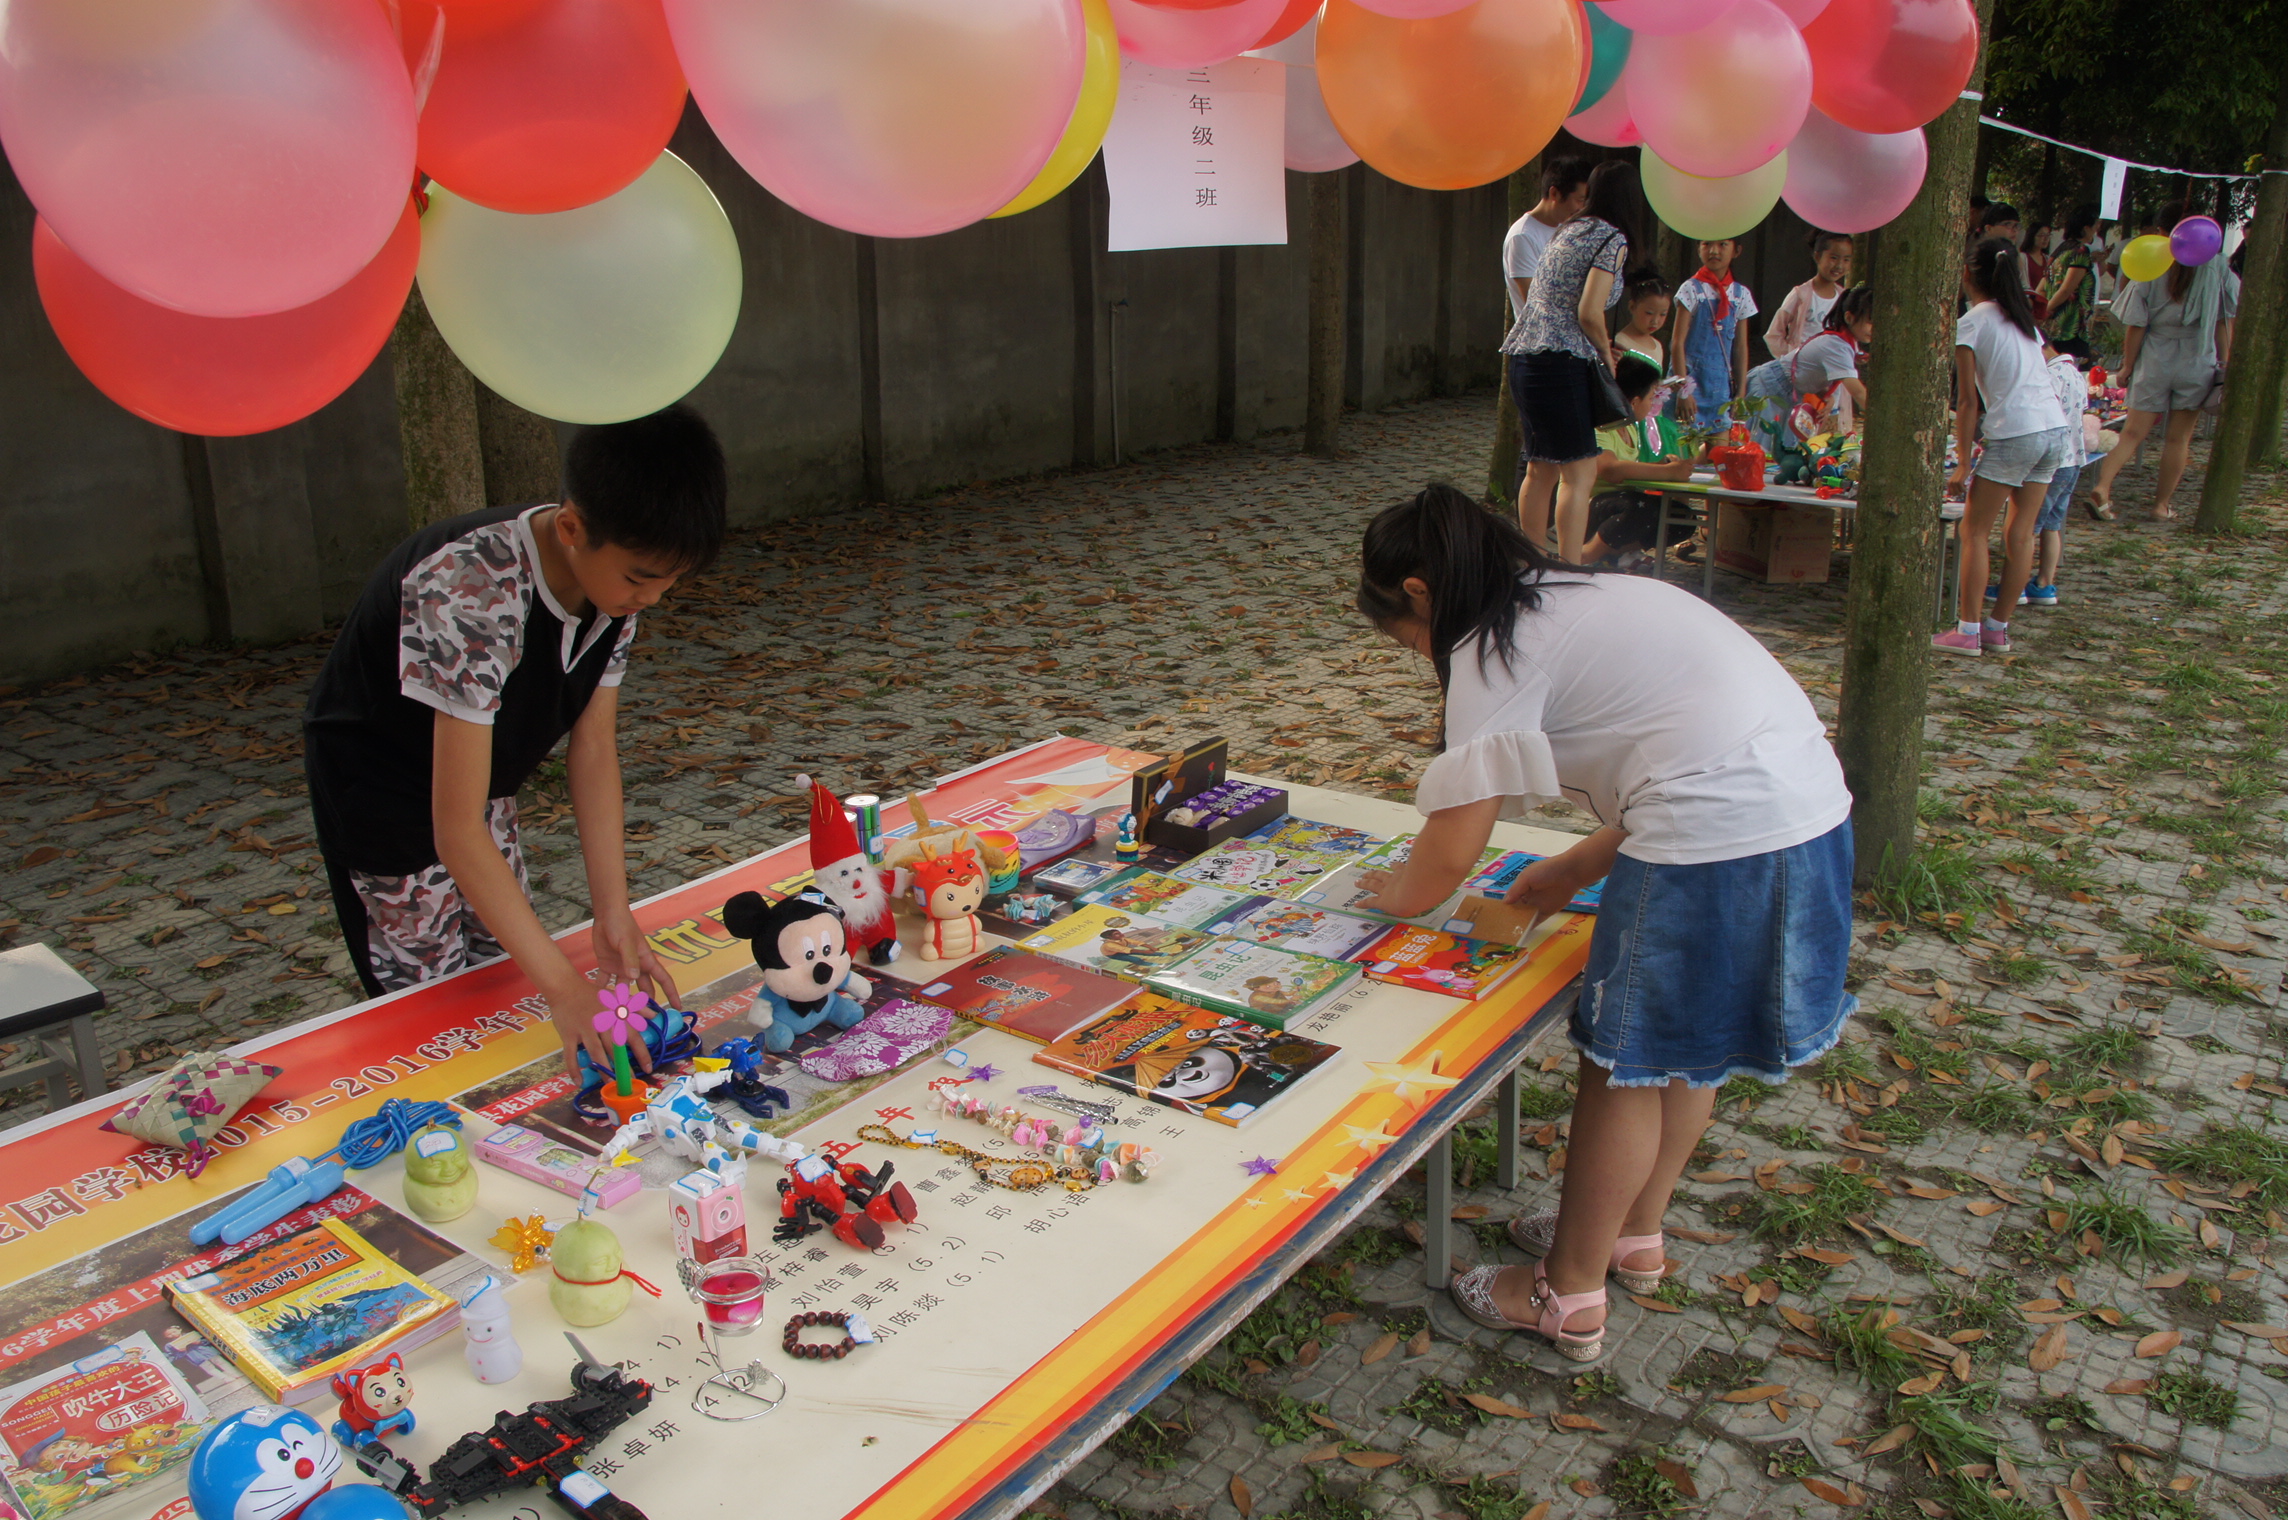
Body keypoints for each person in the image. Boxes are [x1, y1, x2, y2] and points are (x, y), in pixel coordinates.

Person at [1350, 485, 1853, 1364]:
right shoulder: (1582, 594)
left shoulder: (1486, 648)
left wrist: (1384, 895)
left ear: (1421, 594)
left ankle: (1565, 1291)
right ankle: (1632, 1232)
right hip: (1806, 815)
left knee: (1624, 1064)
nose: (1418, 654)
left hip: (1714, 841)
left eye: (1405, 638)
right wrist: (1575, 868)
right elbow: (1688, 744)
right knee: (1686, 1052)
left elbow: (1451, 847)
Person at [304, 404, 726, 1073]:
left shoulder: (614, 588)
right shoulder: (470, 589)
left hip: (479, 782)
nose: (653, 598)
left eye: (671, 582)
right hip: (381, 795)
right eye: (642, 580)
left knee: (500, 969)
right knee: (432, 1003)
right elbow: (453, 828)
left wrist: (612, 914)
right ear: (571, 528)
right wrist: (565, 987)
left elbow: (593, 749)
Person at [1507, 159, 1648, 563]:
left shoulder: (1568, 228)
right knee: (1579, 473)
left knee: (1540, 469)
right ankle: (1569, 567)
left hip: (1524, 357)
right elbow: (1589, 312)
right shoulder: (1611, 239)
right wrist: (1606, 355)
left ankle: (1534, 560)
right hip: (1562, 361)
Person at [1935, 240, 2070, 658]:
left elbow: (1968, 401)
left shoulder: (1972, 322)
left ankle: (1968, 629)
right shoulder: (2023, 319)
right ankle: (1998, 629)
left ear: (1967, 274)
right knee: (2021, 532)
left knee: (1972, 530)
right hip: (2054, 430)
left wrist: (1960, 463)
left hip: (2017, 432)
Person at [2084, 242, 2238, 521]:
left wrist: (2128, 364)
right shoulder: (2218, 269)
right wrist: (2225, 364)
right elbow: (2224, 322)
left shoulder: (2153, 263)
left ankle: (2102, 487)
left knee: (2131, 433)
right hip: (2197, 358)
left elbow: (2136, 324)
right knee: (2178, 438)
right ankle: (2161, 505)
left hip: (2155, 358)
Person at [1501, 156, 1594, 490]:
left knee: (1557, 458)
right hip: (1540, 355)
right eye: (1580, 200)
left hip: (1569, 354)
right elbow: (1537, 304)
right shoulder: (1524, 237)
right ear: (1555, 193)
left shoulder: (1570, 232)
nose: (1582, 209)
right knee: (1541, 458)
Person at [1993, 339, 2089, 608]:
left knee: (2025, 528)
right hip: (2073, 459)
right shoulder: (2074, 372)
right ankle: (2045, 584)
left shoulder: (2048, 376)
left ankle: (2014, 586)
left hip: (2051, 461)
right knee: (2052, 524)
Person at [1580, 353, 1700, 567]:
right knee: (1643, 508)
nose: (1654, 403)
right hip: (1591, 506)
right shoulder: (1602, 426)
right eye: (1652, 397)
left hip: (1620, 503)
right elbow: (1610, 470)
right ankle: (1586, 554)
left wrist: (1660, 465)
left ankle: (1613, 554)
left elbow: (1630, 468)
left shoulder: (1630, 428)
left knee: (1682, 517)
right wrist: (1668, 472)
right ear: (1635, 402)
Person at [1741, 284, 1873, 452]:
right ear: (1849, 317)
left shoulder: (1846, 344)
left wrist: (1827, 396)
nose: (1874, 329)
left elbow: (1815, 371)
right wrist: (1879, 417)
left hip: (1793, 393)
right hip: (1770, 387)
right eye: (1869, 322)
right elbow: (1858, 392)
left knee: (1785, 452)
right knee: (1756, 448)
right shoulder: (1837, 345)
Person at [1671, 238, 1757, 428]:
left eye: (1722, 245)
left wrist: (1740, 392)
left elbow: (1741, 347)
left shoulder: (1741, 294)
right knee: (1686, 451)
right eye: (1706, 244)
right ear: (1698, 249)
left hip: (1721, 389)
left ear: (1737, 250)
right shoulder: (1691, 289)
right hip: (1690, 382)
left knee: (1719, 452)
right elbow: (1677, 342)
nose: (1714, 251)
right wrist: (1683, 390)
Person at [1764, 231, 1853, 358]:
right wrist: (1790, 358)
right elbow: (1773, 334)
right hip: (1800, 368)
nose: (1839, 265)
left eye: (1846, 260)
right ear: (1817, 257)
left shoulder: (1843, 297)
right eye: (1833, 258)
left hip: (1830, 366)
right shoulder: (1800, 294)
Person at [2040, 205, 2102, 360]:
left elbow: (2043, 285)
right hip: (2072, 325)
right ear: (2086, 228)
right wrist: (2045, 309)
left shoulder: (2060, 250)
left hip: (2054, 325)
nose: (2096, 230)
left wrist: (2042, 310)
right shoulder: (2081, 252)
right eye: (2095, 226)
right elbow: (2067, 289)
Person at [1612, 271, 1672, 369]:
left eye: (1663, 314)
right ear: (1632, 306)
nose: (1655, 321)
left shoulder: (1657, 345)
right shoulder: (1620, 343)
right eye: (1649, 313)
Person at [2022, 219, 2053, 295]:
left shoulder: (2048, 259)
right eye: (2041, 235)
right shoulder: (2022, 258)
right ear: (2032, 236)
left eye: (2048, 235)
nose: (2046, 239)